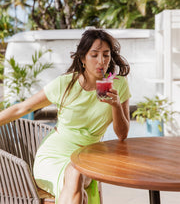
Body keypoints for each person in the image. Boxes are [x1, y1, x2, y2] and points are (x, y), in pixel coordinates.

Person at [0, 29, 131, 204]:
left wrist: (116, 106)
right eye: (94, 55)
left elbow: (122, 134)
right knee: (77, 180)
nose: (102, 61)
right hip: (54, 154)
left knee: (78, 178)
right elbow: (22, 108)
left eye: (106, 55)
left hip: (89, 154)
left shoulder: (119, 85)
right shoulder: (65, 84)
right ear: (83, 58)